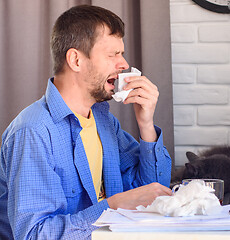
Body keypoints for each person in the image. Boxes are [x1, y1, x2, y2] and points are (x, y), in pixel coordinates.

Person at [0, 5, 172, 240]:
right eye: (113, 55)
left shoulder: (103, 121)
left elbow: (153, 193)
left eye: (121, 54)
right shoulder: (32, 132)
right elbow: (34, 234)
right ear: (76, 60)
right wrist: (111, 207)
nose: (123, 64)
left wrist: (146, 125)